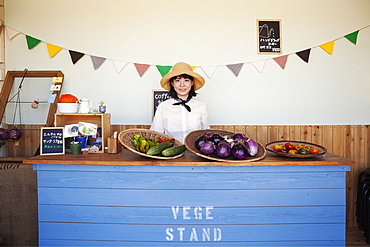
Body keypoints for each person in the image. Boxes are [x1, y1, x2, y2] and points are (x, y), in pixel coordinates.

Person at [150, 62, 210, 143]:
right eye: (177, 80)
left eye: (186, 80)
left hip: (195, 152)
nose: (182, 85)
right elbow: (156, 134)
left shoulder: (201, 106)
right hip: (171, 151)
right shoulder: (163, 107)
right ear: (172, 83)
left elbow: (206, 134)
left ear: (192, 83)